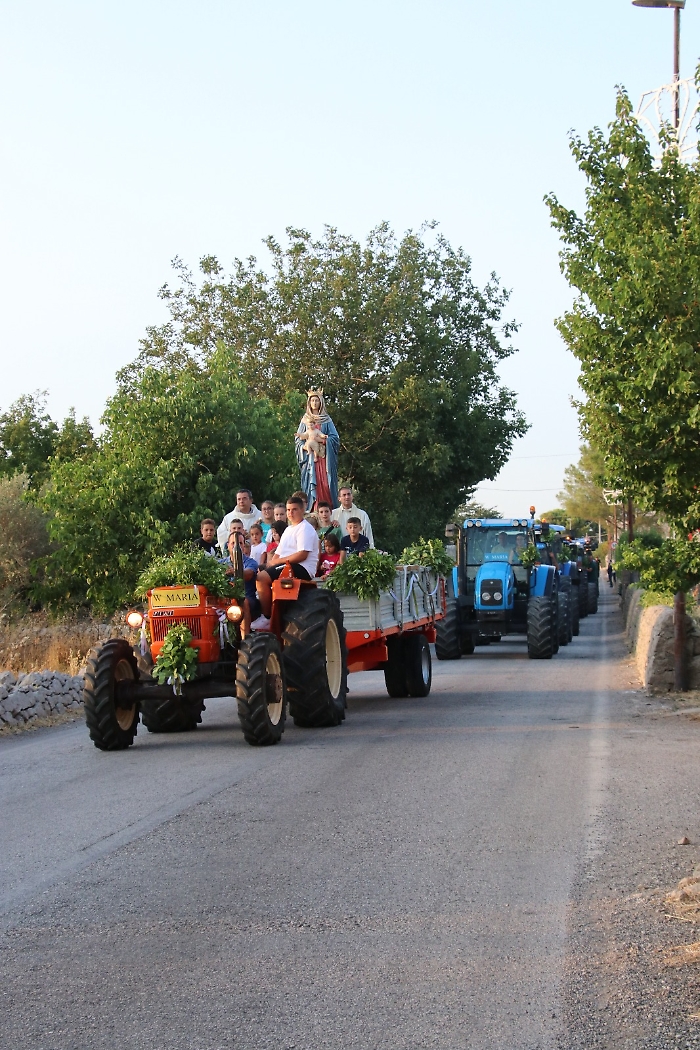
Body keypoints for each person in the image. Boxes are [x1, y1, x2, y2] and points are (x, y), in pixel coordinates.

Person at [254, 496, 319, 625]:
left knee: (261, 578)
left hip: (302, 567)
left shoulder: (305, 528)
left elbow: (302, 555)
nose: (290, 513)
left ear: (302, 510)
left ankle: (267, 617)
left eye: (294, 509)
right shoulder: (289, 529)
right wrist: (268, 565)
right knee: (256, 572)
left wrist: (275, 563)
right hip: (288, 564)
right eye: (288, 510)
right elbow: (278, 553)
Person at [295, 389, 340, 510]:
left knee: (325, 484)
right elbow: (299, 440)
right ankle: (313, 508)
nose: (314, 403)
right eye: (312, 400)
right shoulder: (305, 420)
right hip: (310, 460)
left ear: (321, 402)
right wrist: (304, 446)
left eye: (317, 400)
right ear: (309, 403)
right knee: (312, 484)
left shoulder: (327, 420)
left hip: (324, 458)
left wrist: (323, 441)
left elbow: (335, 438)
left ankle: (327, 509)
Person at [217, 489, 261, 553]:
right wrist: (238, 535)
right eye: (239, 499)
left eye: (244, 498)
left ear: (251, 500)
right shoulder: (229, 517)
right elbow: (221, 534)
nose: (241, 501)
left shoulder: (260, 516)